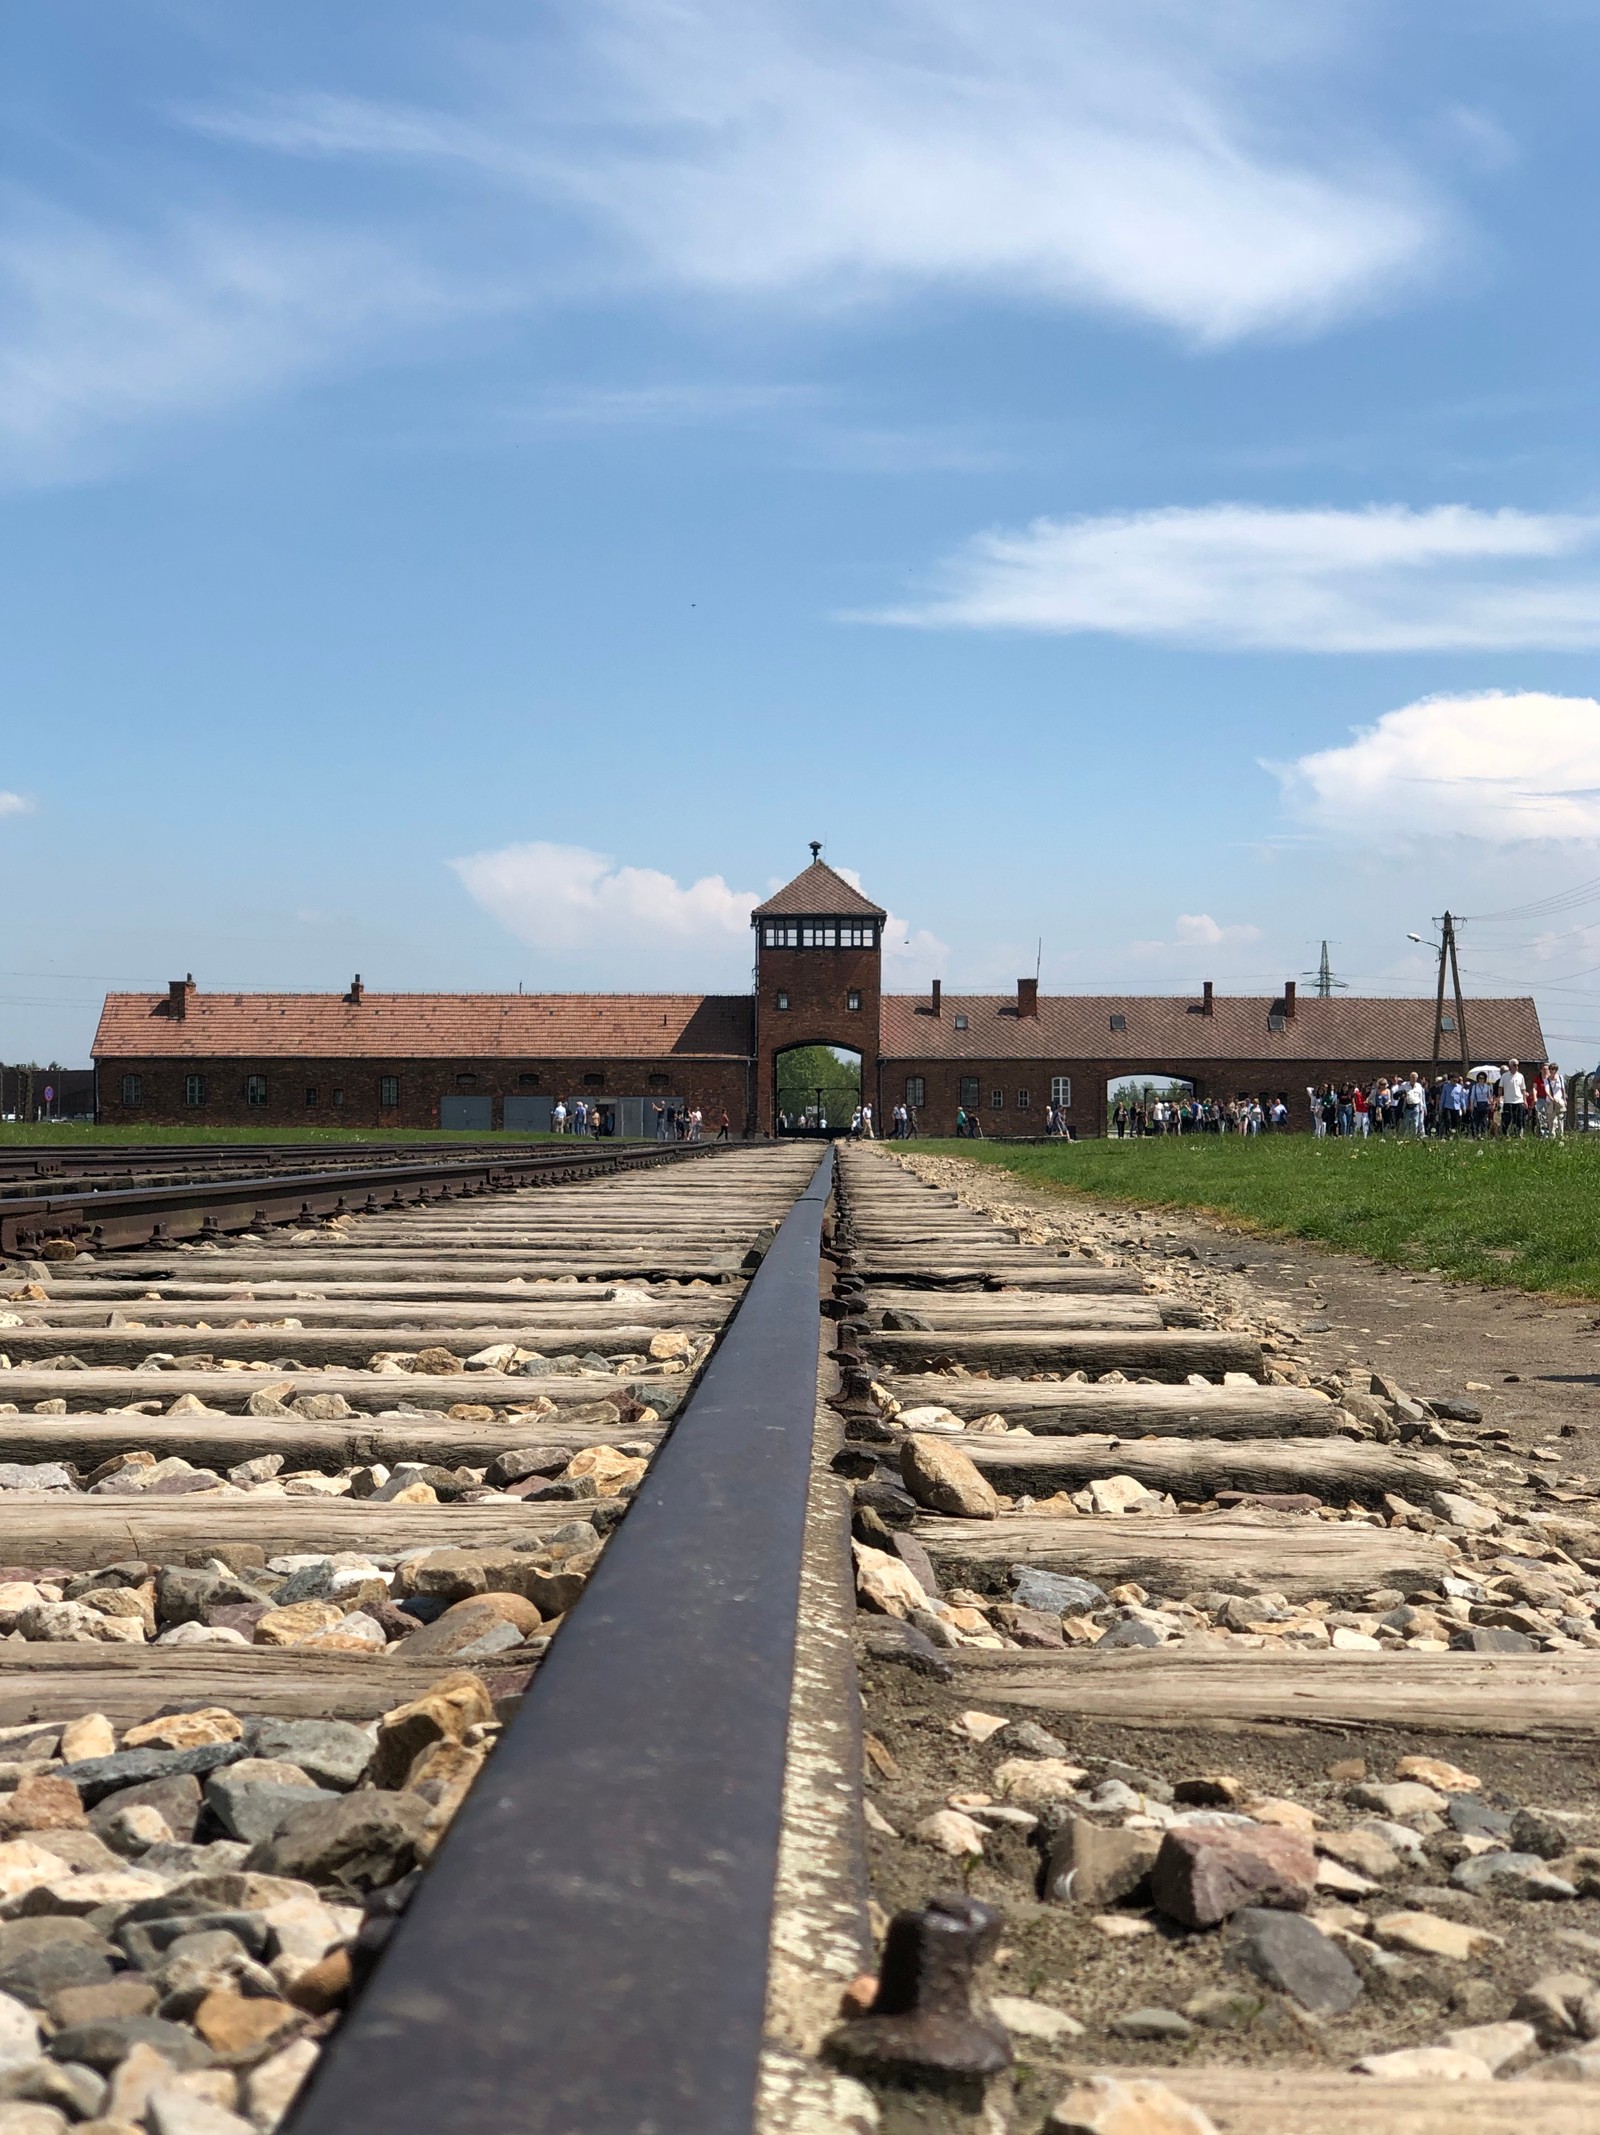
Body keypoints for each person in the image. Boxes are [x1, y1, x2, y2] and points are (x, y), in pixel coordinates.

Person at [1500, 1058, 1527, 1137]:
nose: (1516, 1067)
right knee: (1507, 1119)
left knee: (1519, 1119)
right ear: (1510, 1066)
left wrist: (1525, 1100)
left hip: (1519, 1101)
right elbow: (1500, 1087)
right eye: (1515, 1065)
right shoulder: (1505, 1076)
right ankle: (1505, 1135)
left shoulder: (1520, 1076)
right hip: (1508, 1101)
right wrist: (1500, 1097)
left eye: (1518, 1065)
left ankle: (1519, 1134)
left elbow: (1523, 1089)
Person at [1545, 1061, 1566, 1137]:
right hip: (1550, 1102)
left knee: (1560, 1118)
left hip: (1559, 1102)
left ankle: (1561, 1135)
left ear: (1556, 1070)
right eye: (1550, 1069)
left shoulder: (1560, 1078)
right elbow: (1547, 1091)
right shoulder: (1547, 1080)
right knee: (1552, 1120)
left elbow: (1563, 1089)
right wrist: (1552, 1099)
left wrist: (1564, 1099)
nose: (1551, 1070)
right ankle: (1552, 1136)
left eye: (1553, 1069)